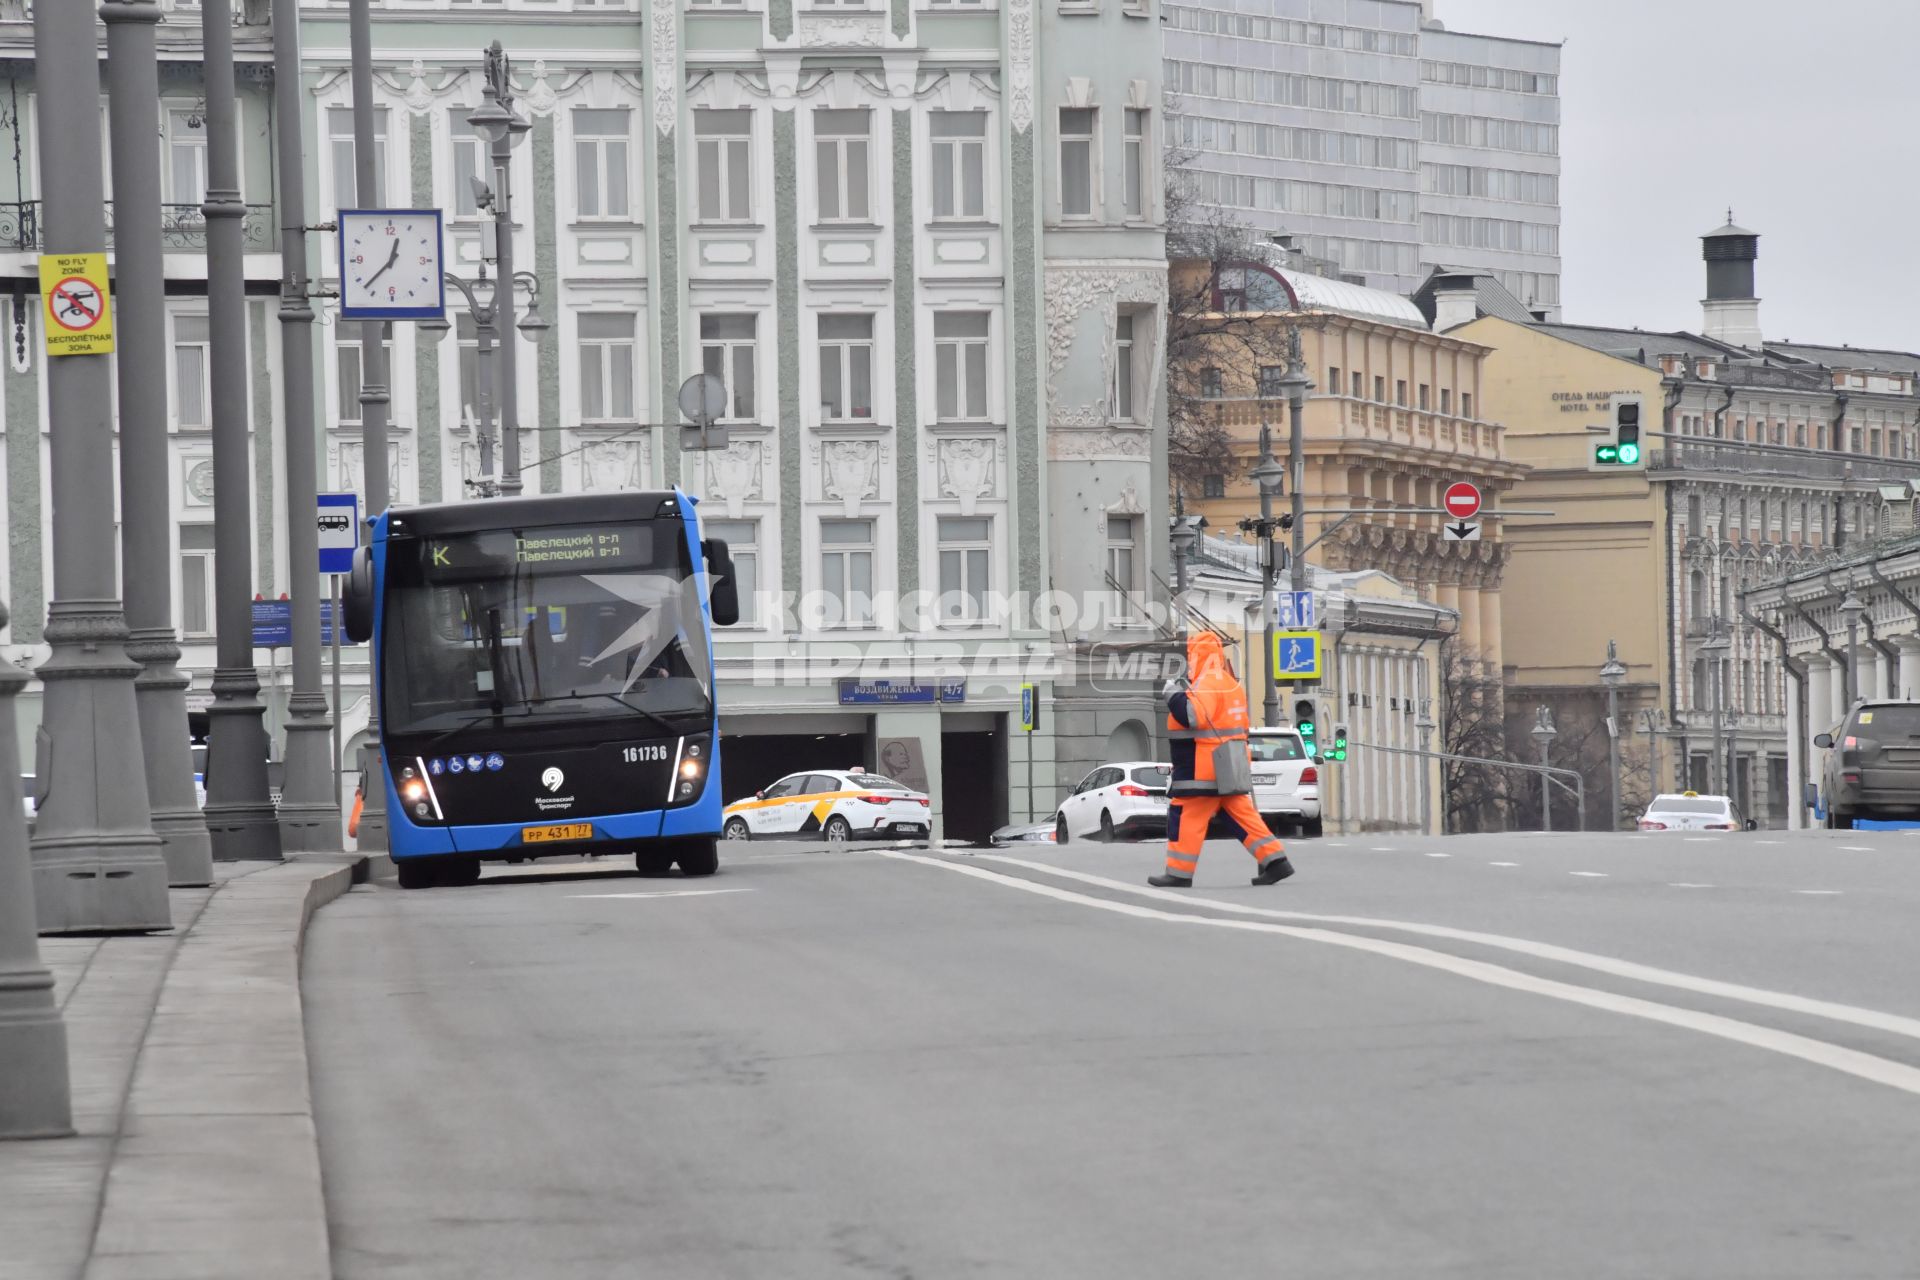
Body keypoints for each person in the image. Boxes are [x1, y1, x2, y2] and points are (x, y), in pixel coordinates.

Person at [1149, 629, 1294, 888]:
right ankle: (1275, 860)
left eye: (1192, 656)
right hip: (1229, 764)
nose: (1190, 662)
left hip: (1202, 768)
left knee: (1185, 815)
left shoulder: (1208, 682)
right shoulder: (1231, 683)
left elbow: (1194, 716)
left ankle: (1179, 873)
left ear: (1199, 656)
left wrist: (1172, 694)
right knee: (1241, 814)